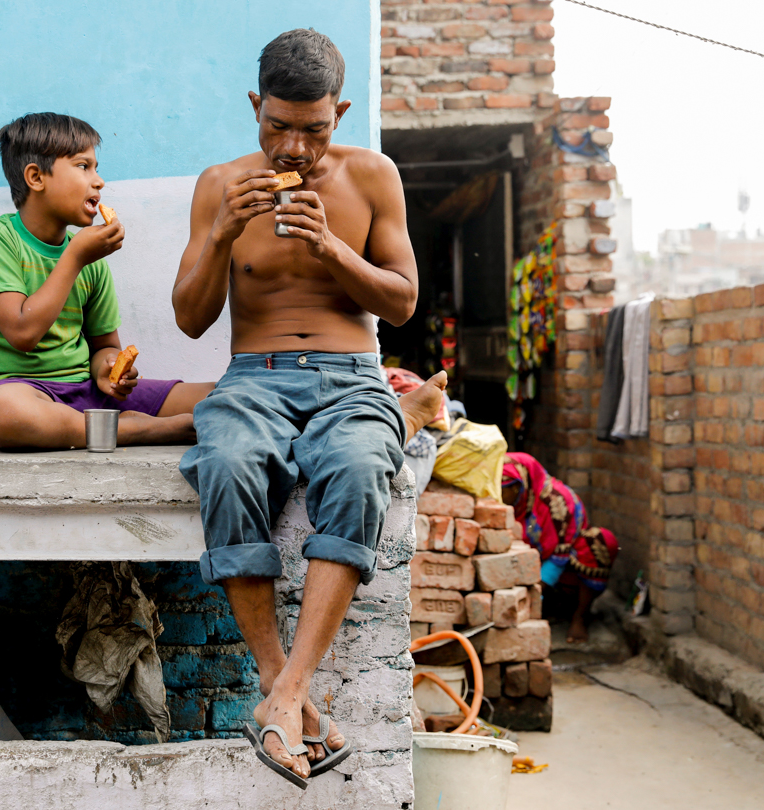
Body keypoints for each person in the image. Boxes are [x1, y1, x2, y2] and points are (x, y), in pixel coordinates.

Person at [172, 29, 446, 786]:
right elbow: (191, 319)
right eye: (278, 127)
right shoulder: (219, 184)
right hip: (252, 376)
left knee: (361, 470)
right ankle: (284, 688)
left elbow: (402, 301)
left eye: (314, 129)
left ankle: (285, 696)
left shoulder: (372, 176)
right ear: (256, 107)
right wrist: (224, 230)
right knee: (225, 463)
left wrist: (332, 249)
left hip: (351, 374)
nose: (295, 148)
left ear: (342, 112)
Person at [0, 112, 214, 449]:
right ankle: (143, 430)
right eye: (83, 166)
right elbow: (22, 332)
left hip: (86, 394)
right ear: (35, 177)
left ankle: (111, 425)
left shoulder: (88, 255)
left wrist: (107, 368)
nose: (99, 181)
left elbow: (105, 344)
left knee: (221, 395)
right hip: (19, 392)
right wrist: (74, 257)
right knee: (1, 414)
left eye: (96, 167)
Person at [500, 452, 619, 643]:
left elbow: (558, 558)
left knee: (601, 542)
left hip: (561, 569)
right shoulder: (499, 502)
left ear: (521, 484)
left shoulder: (557, 502)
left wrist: (528, 596)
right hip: (524, 569)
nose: (500, 496)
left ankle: (580, 616)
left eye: (506, 489)